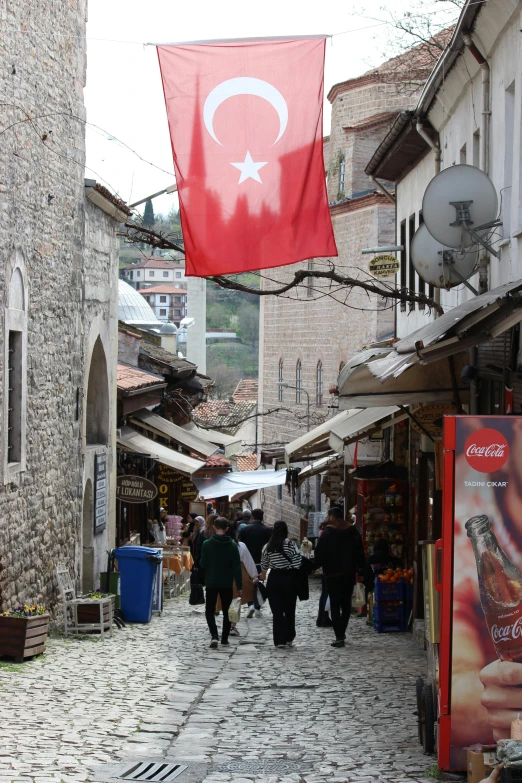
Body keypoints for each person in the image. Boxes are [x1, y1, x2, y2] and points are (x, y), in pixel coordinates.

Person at [313, 506, 366, 648]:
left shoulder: (327, 533)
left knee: (335, 605)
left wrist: (311, 567)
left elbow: (319, 555)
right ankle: (342, 632)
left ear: (331, 517)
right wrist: (361, 569)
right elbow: (360, 552)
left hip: (332, 574)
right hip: (349, 573)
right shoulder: (352, 531)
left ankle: (339, 635)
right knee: (345, 604)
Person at [200, 516, 242, 648]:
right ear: (227, 529)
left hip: (212, 581)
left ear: (214, 527)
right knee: (226, 611)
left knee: (209, 610)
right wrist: (239, 586)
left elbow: (203, 563)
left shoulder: (206, 544)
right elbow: (236, 567)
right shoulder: (233, 545)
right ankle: (224, 638)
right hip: (226, 582)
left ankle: (214, 636)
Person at [260, 520, 301, 649]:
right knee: (290, 609)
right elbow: (297, 562)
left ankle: (279, 640)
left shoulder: (267, 546)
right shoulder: (291, 544)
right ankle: (289, 636)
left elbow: (264, 566)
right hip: (289, 578)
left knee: (277, 612)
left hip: (274, 579)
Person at [239, 508, 272, 617]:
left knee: (249, 584)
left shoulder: (245, 530)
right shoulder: (267, 530)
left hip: (247, 561)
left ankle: (250, 605)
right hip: (261, 562)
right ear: (262, 517)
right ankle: (258, 607)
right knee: (259, 583)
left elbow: (240, 545)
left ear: (252, 516)